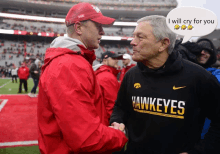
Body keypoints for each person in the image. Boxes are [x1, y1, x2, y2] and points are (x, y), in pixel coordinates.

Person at [110, 15, 220, 154]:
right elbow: (120, 108)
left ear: (163, 44)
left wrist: (200, 151)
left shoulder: (199, 77)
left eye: (140, 37)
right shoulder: (132, 75)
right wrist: (117, 121)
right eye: (133, 36)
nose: (132, 42)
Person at [37, 2, 127, 154]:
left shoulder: (70, 61)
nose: (102, 32)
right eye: (98, 25)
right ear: (78, 28)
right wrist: (119, 135)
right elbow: (87, 139)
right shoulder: (69, 65)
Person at [93, 51, 123, 125]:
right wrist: (115, 122)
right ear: (104, 60)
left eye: (117, 58)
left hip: (99, 119)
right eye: (113, 58)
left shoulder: (102, 73)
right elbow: (111, 104)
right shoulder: (107, 77)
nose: (117, 60)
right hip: (106, 122)